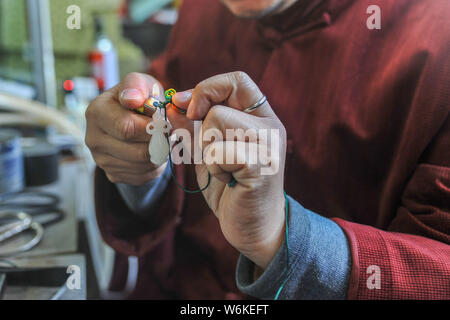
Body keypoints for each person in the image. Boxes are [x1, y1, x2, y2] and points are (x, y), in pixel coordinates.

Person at [85, 0, 450, 299]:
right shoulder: (202, 11)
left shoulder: (438, 39)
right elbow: (175, 142)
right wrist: (140, 172)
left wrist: (286, 239)